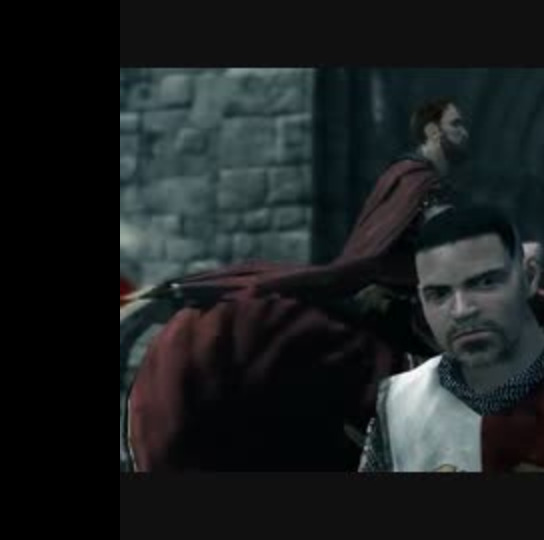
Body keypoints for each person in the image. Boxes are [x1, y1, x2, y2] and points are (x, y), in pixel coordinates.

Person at [123, 98, 471, 471]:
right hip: (401, 304)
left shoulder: (408, 176)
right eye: (456, 124)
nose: (464, 132)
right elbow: (420, 249)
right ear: (432, 130)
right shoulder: (422, 184)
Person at [358, 206, 544, 472]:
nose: (461, 311)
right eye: (440, 294)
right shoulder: (401, 405)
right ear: (422, 300)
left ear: (529, 278)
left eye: (485, 282)